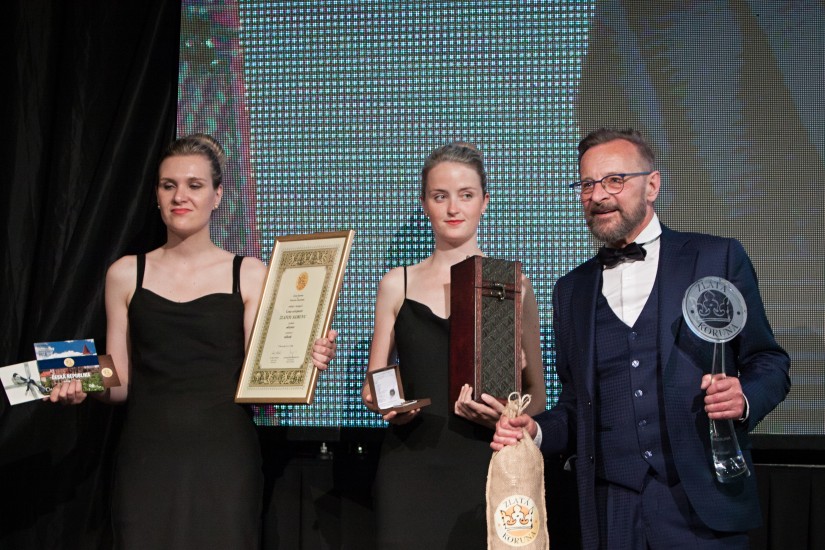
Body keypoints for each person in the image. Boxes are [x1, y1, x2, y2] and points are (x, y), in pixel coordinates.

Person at [490, 128, 790, 549]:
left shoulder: (715, 257)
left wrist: (743, 397)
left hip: (702, 506)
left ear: (652, 186)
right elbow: (577, 407)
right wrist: (535, 431)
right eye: (587, 184)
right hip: (611, 512)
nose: (598, 195)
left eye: (614, 180)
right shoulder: (571, 291)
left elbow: (769, 362)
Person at [47, 133, 338, 549]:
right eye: (169, 185)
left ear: (217, 196)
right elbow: (121, 382)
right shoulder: (125, 273)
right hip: (146, 459)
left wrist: (305, 360)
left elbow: (263, 377)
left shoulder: (249, 273)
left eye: (194, 185)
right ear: (157, 195)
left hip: (224, 458)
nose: (179, 196)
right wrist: (81, 382)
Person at [362, 141, 547, 548]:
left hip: (486, 463)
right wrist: (388, 405)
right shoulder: (397, 283)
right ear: (424, 204)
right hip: (409, 467)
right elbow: (374, 384)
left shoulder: (512, 284)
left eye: (466, 195)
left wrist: (508, 417)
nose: (453, 208)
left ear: (484, 202)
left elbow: (537, 394)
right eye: (439, 196)